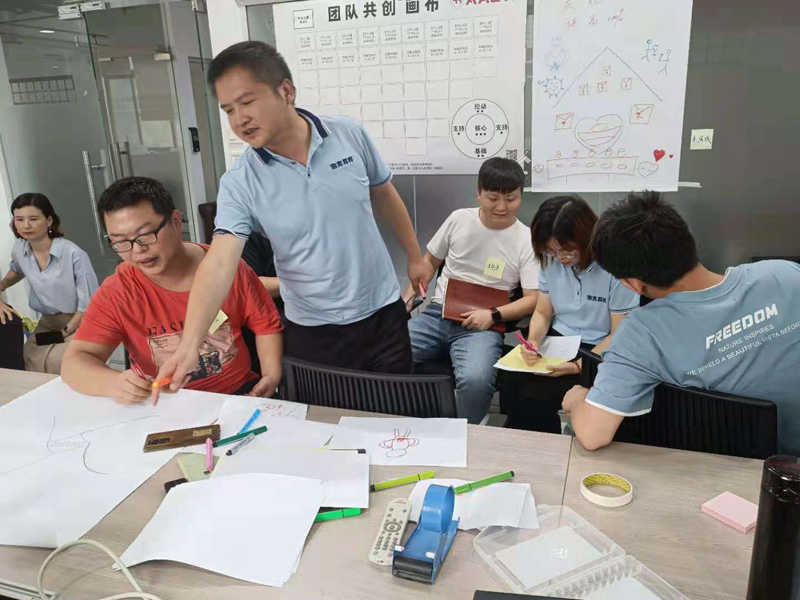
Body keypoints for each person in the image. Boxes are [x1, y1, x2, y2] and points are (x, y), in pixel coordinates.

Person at [154, 41, 430, 390]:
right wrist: (191, 342)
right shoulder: (240, 181)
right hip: (314, 330)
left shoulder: (347, 134)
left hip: (383, 314)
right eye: (228, 110)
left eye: (247, 102)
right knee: (326, 421)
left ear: (286, 91)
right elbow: (220, 263)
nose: (239, 119)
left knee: (396, 415)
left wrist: (414, 256)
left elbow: (383, 192)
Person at [562, 192, 800, 455]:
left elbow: (593, 435)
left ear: (633, 284)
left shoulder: (642, 333)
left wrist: (577, 398)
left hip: (723, 466)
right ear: (687, 238)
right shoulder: (784, 275)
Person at [61, 177, 283, 404]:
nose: (137, 250)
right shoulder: (118, 292)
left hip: (238, 395)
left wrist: (271, 375)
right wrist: (111, 383)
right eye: (120, 242)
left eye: (146, 235)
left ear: (176, 222)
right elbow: (74, 362)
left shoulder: (225, 267)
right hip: (164, 405)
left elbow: (265, 325)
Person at [405, 158, 539, 424]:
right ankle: (404, 421)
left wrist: (493, 315)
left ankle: (465, 431)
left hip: (483, 327)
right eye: (493, 198)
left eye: (511, 199)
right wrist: (406, 300)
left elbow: (533, 299)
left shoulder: (527, 240)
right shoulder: (459, 219)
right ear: (479, 193)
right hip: (436, 315)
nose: (501, 207)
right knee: (384, 354)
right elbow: (429, 262)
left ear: (521, 196)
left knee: (476, 380)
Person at [504, 195, 639, 433]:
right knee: (514, 384)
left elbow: (620, 334)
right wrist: (533, 341)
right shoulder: (550, 261)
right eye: (551, 251)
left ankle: (553, 447)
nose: (560, 258)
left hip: (601, 347)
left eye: (566, 250)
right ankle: (528, 448)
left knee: (538, 395)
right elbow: (543, 312)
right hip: (561, 339)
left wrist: (579, 366)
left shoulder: (616, 267)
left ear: (586, 238)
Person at [1, 193, 99, 374]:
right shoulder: (20, 249)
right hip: (48, 323)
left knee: (59, 361)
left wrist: (65, 332)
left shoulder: (73, 254)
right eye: (19, 219)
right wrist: (2, 290)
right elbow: (17, 270)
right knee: (28, 356)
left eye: (33, 219)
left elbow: (89, 305)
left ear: (49, 221)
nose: (26, 225)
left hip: (80, 323)